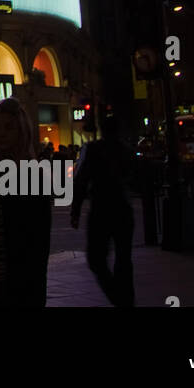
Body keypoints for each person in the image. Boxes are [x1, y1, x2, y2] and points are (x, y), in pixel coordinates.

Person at [0, 97, 52, 308]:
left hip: (17, 283)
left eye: (9, 127)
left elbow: (37, 243)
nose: (1, 133)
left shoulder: (32, 176)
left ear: (20, 132)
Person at [71, 112, 134, 306]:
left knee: (96, 259)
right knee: (123, 259)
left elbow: (81, 181)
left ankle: (118, 297)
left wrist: (75, 211)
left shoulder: (94, 149)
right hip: (122, 207)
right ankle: (126, 299)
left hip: (101, 209)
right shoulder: (126, 150)